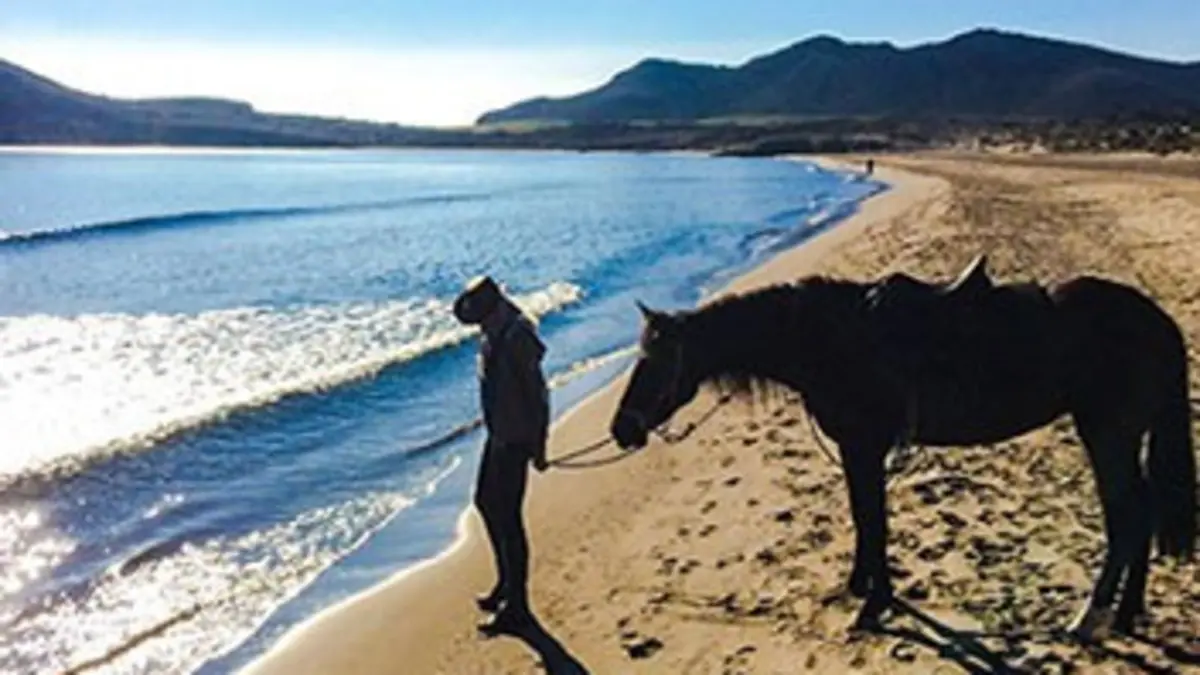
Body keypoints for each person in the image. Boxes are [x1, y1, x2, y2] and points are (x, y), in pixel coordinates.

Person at [452, 275, 550, 636]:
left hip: (516, 439)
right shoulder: (494, 328)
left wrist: (539, 446)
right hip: (499, 434)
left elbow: (539, 395)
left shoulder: (517, 336)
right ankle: (505, 584)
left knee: (509, 520)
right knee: (485, 503)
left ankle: (518, 606)